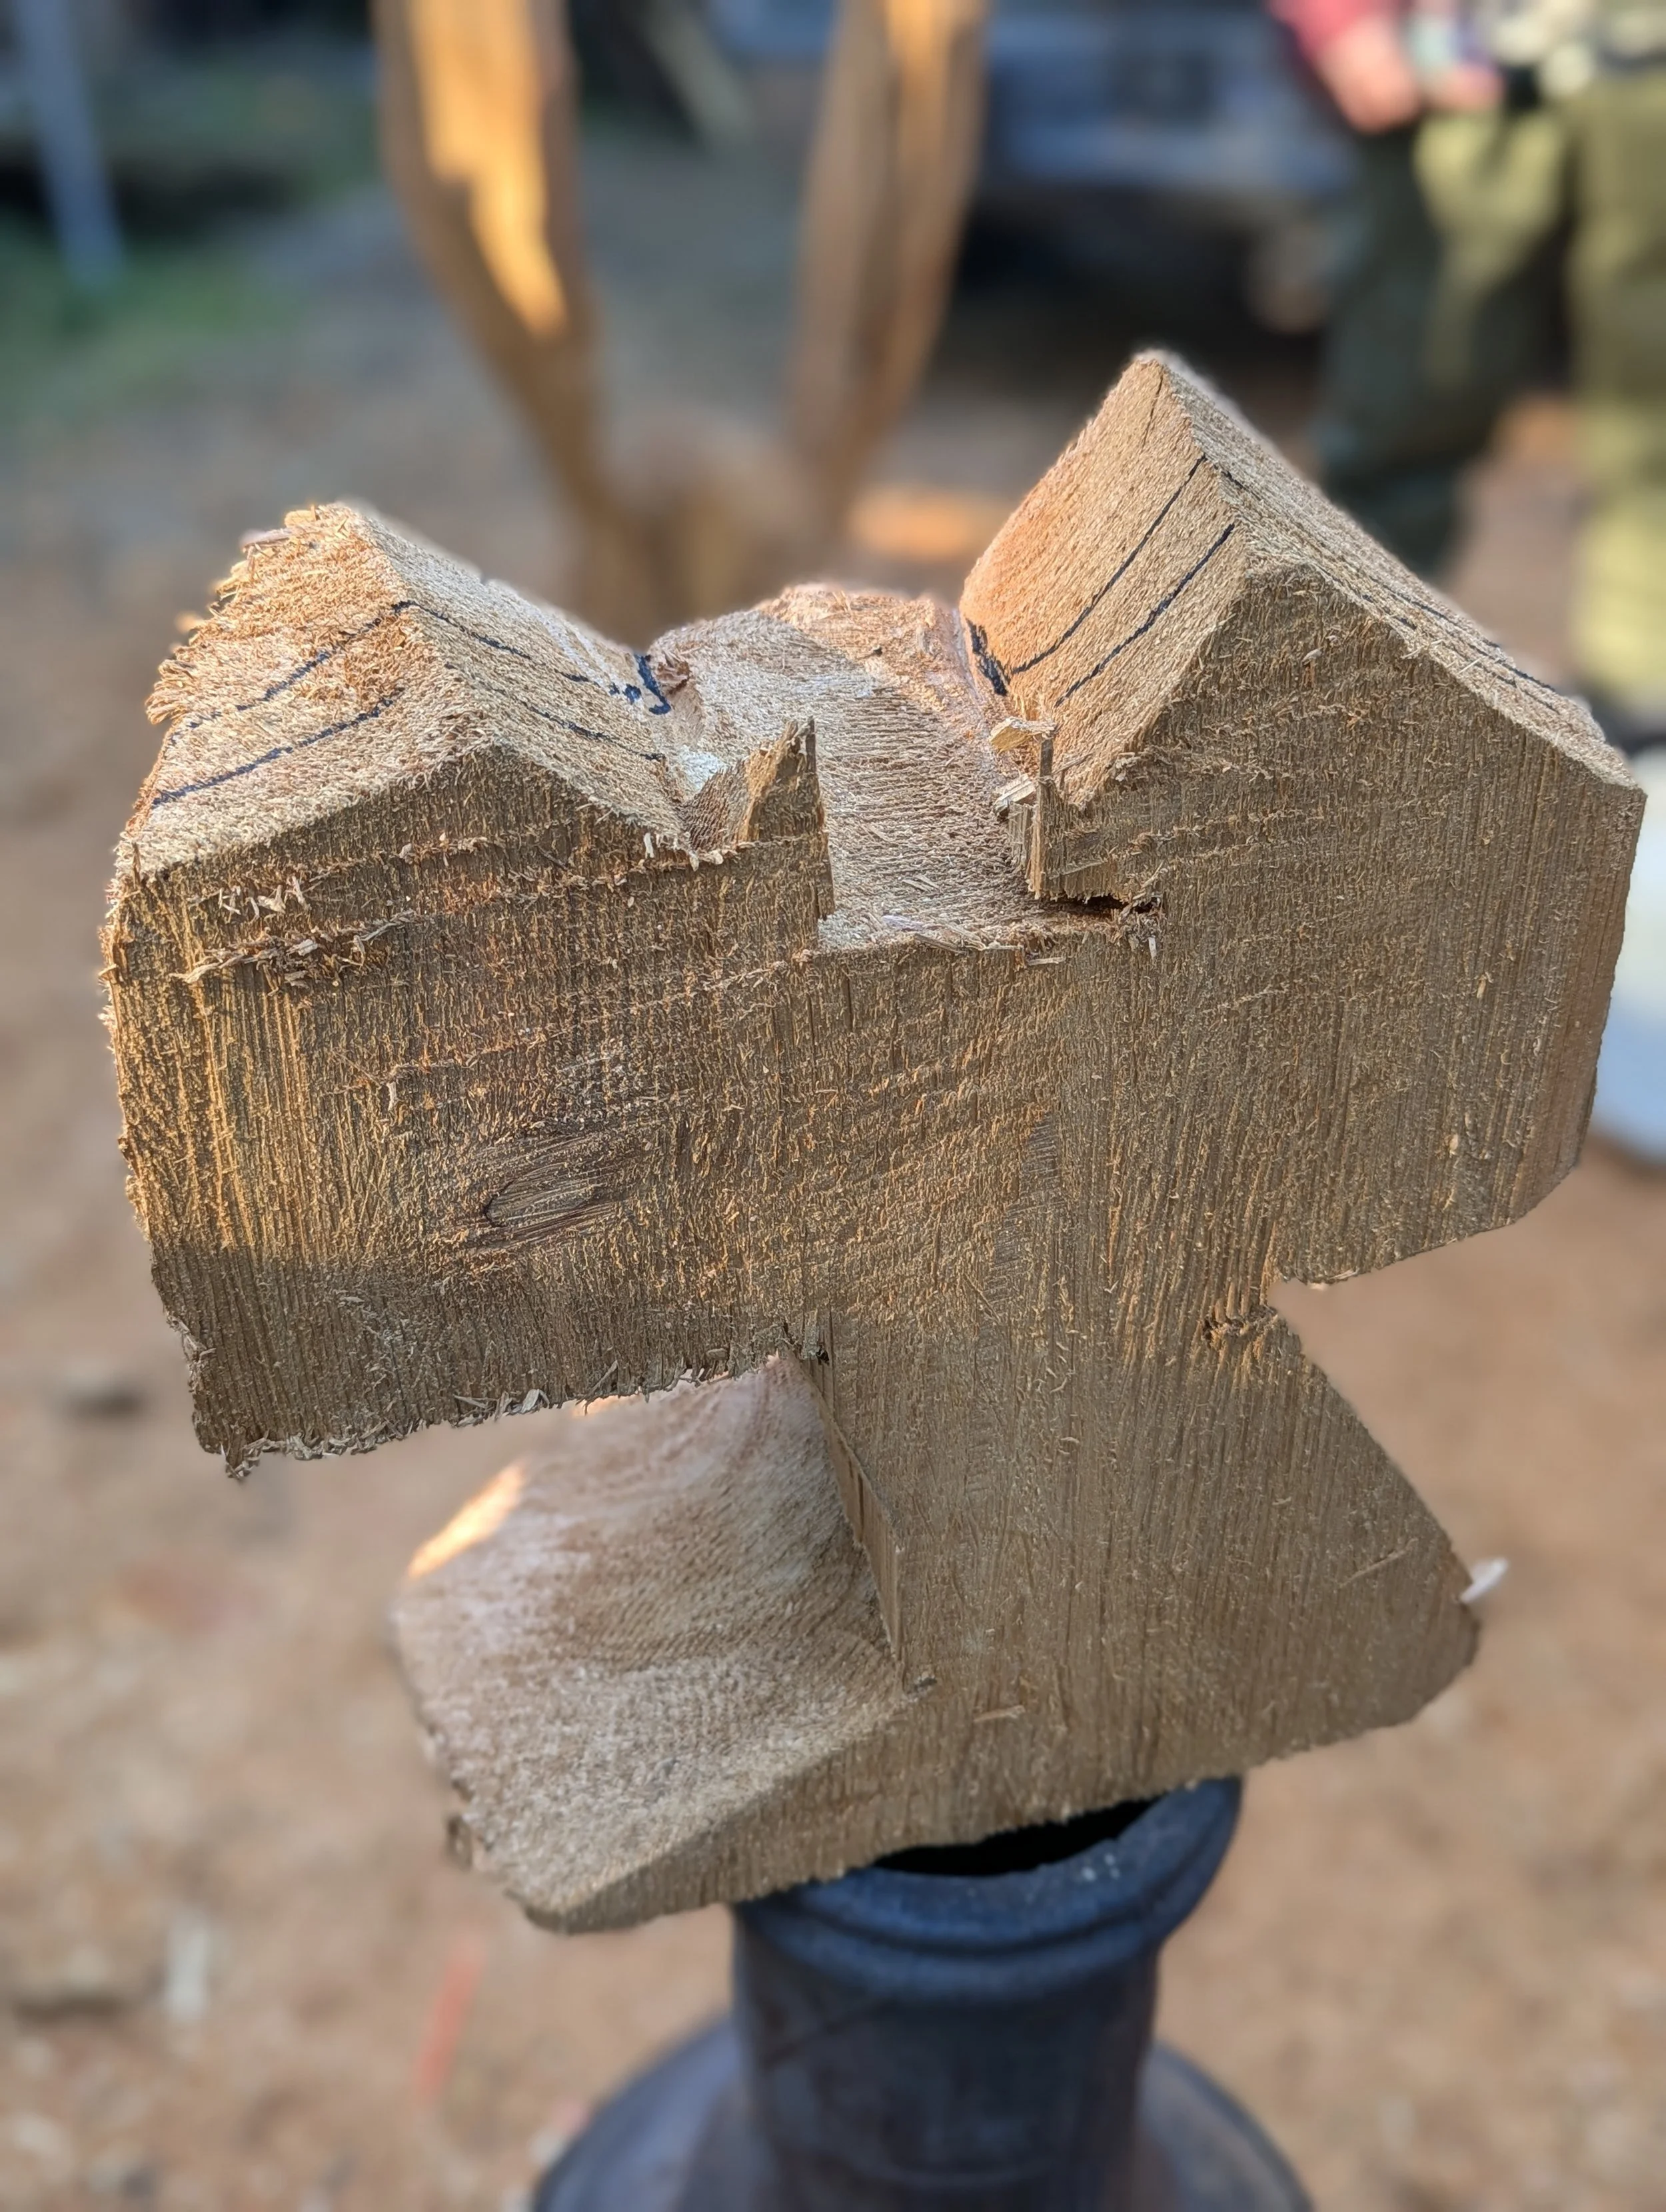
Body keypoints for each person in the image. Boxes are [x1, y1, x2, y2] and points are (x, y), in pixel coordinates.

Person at [1271, 0, 1666, 756]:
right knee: (1405, 395)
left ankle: (1648, 725)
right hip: (1454, 55)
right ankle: (1324, 709)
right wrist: (1343, 18)